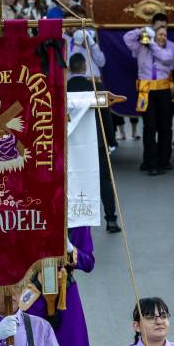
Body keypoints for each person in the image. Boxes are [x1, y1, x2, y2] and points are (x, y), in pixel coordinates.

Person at [125, 23, 174, 176]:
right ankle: (150, 161)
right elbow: (126, 38)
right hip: (147, 91)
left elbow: (165, 59)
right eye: (159, 34)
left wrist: (152, 43)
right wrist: (141, 31)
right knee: (149, 127)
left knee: (165, 127)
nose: (162, 37)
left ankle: (164, 160)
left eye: (164, 35)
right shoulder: (140, 48)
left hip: (164, 91)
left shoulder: (168, 50)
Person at [66, 53, 119, 233]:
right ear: (85, 68)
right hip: (95, 142)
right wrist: (111, 141)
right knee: (104, 179)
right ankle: (111, 219)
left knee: (69, 180)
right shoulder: (95, 87)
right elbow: (106, 117)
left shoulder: (62, 88)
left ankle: (69, 221)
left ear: (69, 69)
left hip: (69, 144)